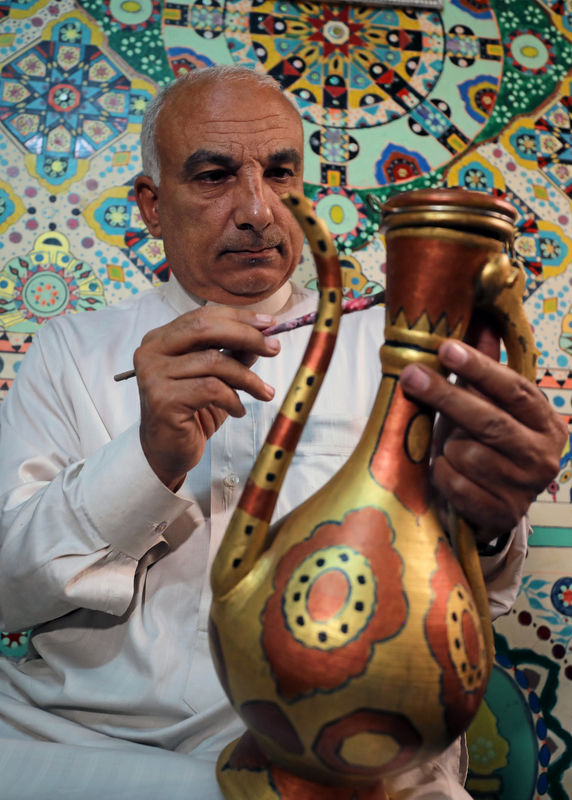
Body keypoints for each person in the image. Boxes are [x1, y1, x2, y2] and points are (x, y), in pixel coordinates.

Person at [0, 65, 565, 800]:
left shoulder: (400, 353)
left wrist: (487, 524)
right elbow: (9, 591)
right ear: (150, 204)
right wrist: (147, 460)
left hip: (354, 765)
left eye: (281, 172)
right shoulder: (72, 352)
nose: (258, 210)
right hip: (86, 746)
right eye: (213, 175)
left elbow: (472, 604)